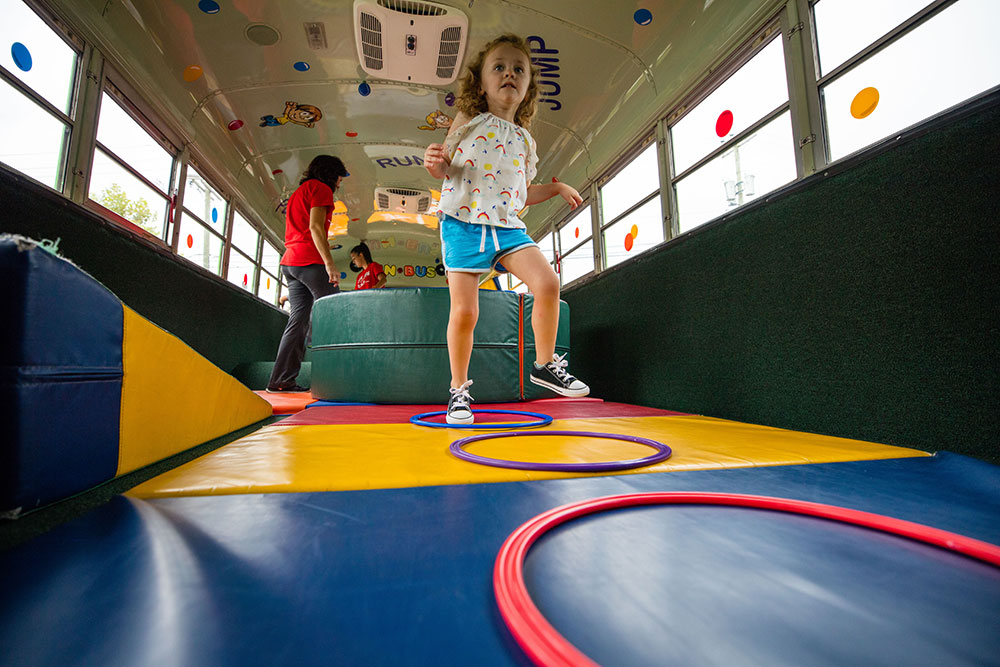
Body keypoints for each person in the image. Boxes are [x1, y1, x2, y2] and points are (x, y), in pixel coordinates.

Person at [423, 34, 589, 424]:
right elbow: (445, 167)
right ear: (481, 83)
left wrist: (557, 187)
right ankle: (459, 391)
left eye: (519, 69)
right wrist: (434, 164)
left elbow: (521, 193)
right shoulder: (469, 122)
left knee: (547, 283)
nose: (509, 74)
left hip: (507, 228)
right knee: (465, 312)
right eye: (499, 66)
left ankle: (544, 364)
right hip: (463, 225)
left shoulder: (527, 142)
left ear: (528, 86)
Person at [266, 155, 349, 393]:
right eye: (339, 178)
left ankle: (280, 380)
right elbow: (314, 227)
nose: (339, 184)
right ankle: (338, 379)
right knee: (336, 315)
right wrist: (329, 263)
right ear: (331, 175)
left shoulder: (299, 192)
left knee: (298, 321)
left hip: (290, 262)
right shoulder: (321, 189)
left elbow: (303, 229)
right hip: (310, 261)